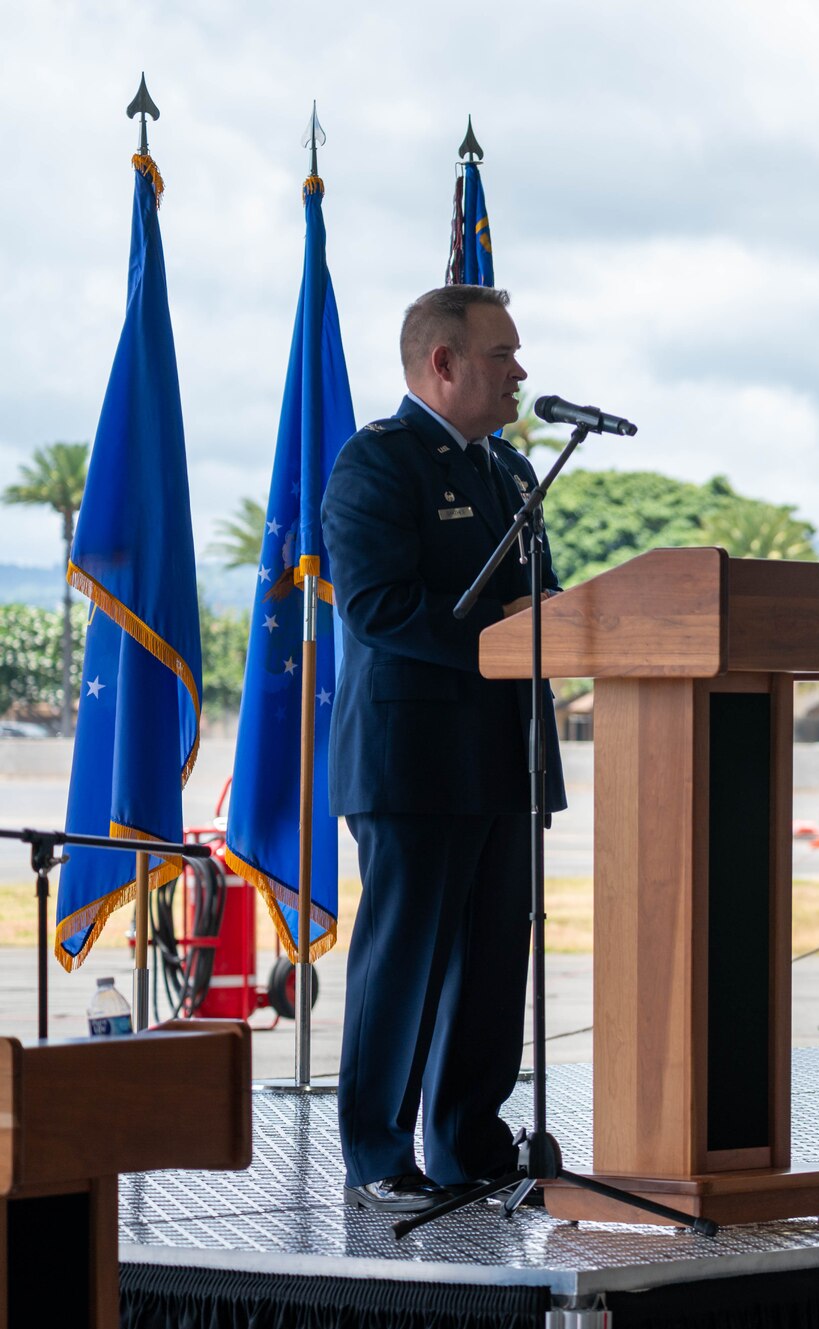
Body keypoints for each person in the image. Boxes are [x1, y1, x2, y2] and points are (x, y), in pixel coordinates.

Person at [323, 285, 564, 1212]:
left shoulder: (507, 471)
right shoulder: (377, 464)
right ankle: (378, 1153)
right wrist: (497, 637)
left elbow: (544, 600)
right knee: (404, 963)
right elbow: (377, 607)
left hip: (506, 753)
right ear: (443, 363)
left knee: (496, 963)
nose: (521, 371)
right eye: (504, 353)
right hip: (413, 760)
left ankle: (468, 1142)